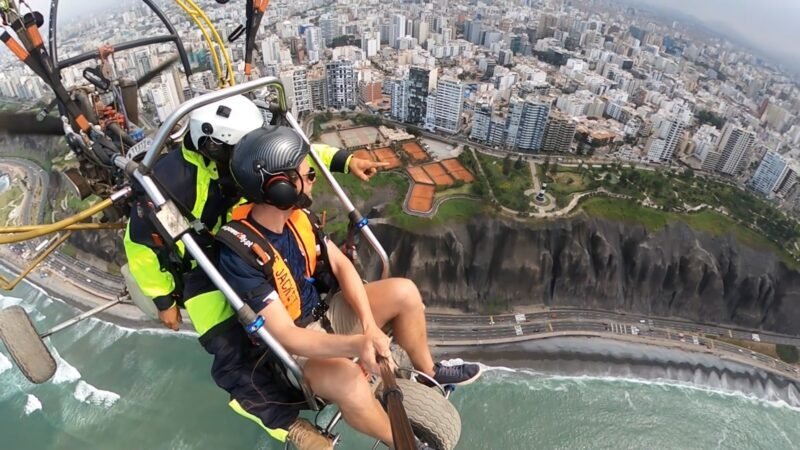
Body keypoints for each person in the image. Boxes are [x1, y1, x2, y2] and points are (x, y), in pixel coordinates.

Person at [212, 126, 482, 449]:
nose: (313, 180)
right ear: (281, 187)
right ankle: (403, 442)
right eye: (309, 175)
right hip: (299, 351)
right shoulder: (241, 253)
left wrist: (368, 326)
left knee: (405, 292)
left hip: (326, 311)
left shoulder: (298, 218)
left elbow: (341, 265)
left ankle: (429, 371)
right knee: (352, 382)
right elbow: (286, 335)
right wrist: (357, 345)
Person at [123, 95, 385, 333]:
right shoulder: (170, 184)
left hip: (251, 240)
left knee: (309, 282)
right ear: (216, 148)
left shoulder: (241, 161)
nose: (257, 152)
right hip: (203, 264)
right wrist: (164, 300)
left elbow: (287, 160)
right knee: (232, 345)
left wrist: (344, 161)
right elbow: (140, 245)